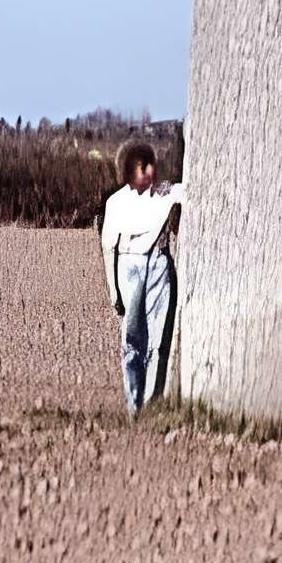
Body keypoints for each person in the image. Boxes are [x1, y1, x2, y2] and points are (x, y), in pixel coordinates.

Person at [99, 139, 181, 414]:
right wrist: (113, 291)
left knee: (158, 339)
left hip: (158, 262)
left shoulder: (165, 193)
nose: (146, 172)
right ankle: (134, 406)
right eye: (139, 167)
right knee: (132, 340)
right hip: (129, 265)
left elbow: (190, 192)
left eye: (149, 166)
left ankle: (150, 404)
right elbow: (109, 246)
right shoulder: (116, 202)